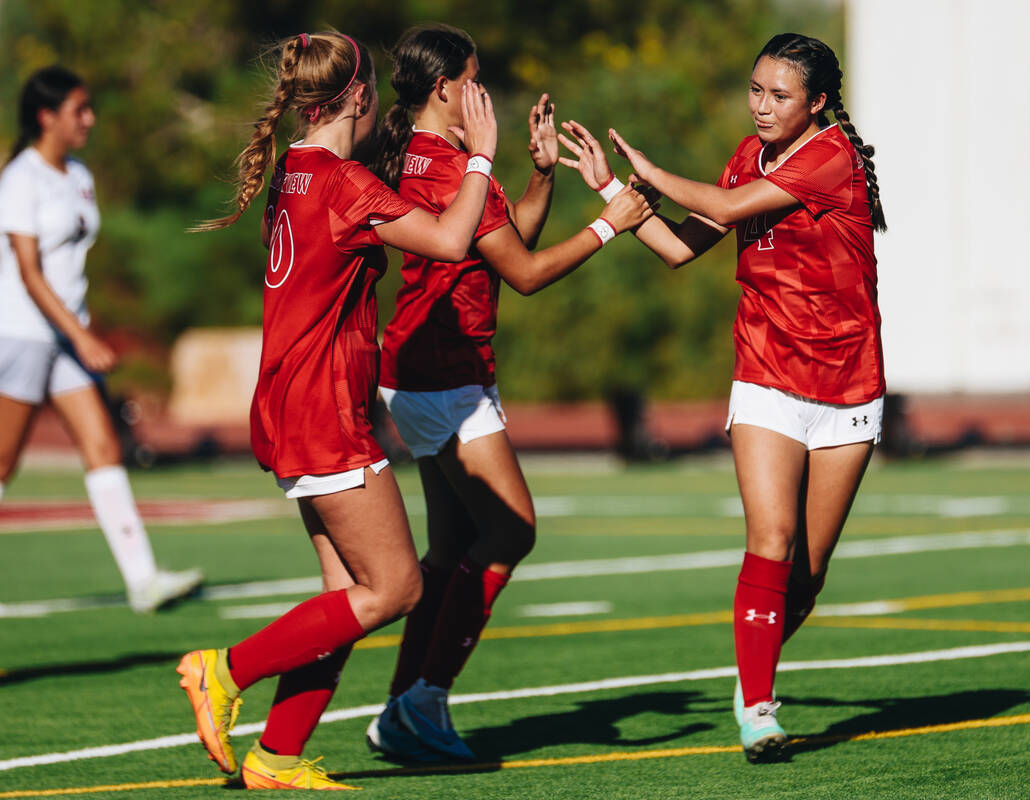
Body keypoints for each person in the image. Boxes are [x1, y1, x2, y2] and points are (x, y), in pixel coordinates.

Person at [175, 30, 498, 789]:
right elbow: (453, 242)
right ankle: (223, 670)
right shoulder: (345, 185)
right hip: (322, 408)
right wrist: (481, 155)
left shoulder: (298, 168)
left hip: (290, 399)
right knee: (396, 589)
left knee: (346, 596)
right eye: (375, 89)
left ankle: (276, 756)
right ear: (356, 97)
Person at [558, 32, 886, 762]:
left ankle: (752, 672)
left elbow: (726, 202)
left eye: (780, 96)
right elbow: (679, 247)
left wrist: (651, 171)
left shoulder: (832, 156)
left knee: (807, 574)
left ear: (818, 103)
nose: (762, 107)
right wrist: (614, 190)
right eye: (756, 90)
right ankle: (760, 707)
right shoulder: (746, 154)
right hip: (767, 370)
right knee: (770, 540)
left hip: (847, 381)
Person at [362, 23, 653, 763]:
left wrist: (542, 174)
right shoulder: (443, 164)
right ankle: (422, 699)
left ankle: (401, 708)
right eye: (474, 79)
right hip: (443, 379)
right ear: (444, 89)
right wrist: (608, 227)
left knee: (452, 548)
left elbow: (508, 237)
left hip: (429, 373)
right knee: (512, 531)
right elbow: (524, 273)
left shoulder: (442, 158)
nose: (483, 93)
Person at [0, 66, 203, 614]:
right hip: (22, 334)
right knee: (2, 465)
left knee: (103, 448)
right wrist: (82, 338)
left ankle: (143, 581)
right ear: (47, 117)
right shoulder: (21, 178)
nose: (88, 119)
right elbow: (28, 273)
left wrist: (78, 334)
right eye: (78, 110)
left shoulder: (77, 173)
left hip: (66, 336)